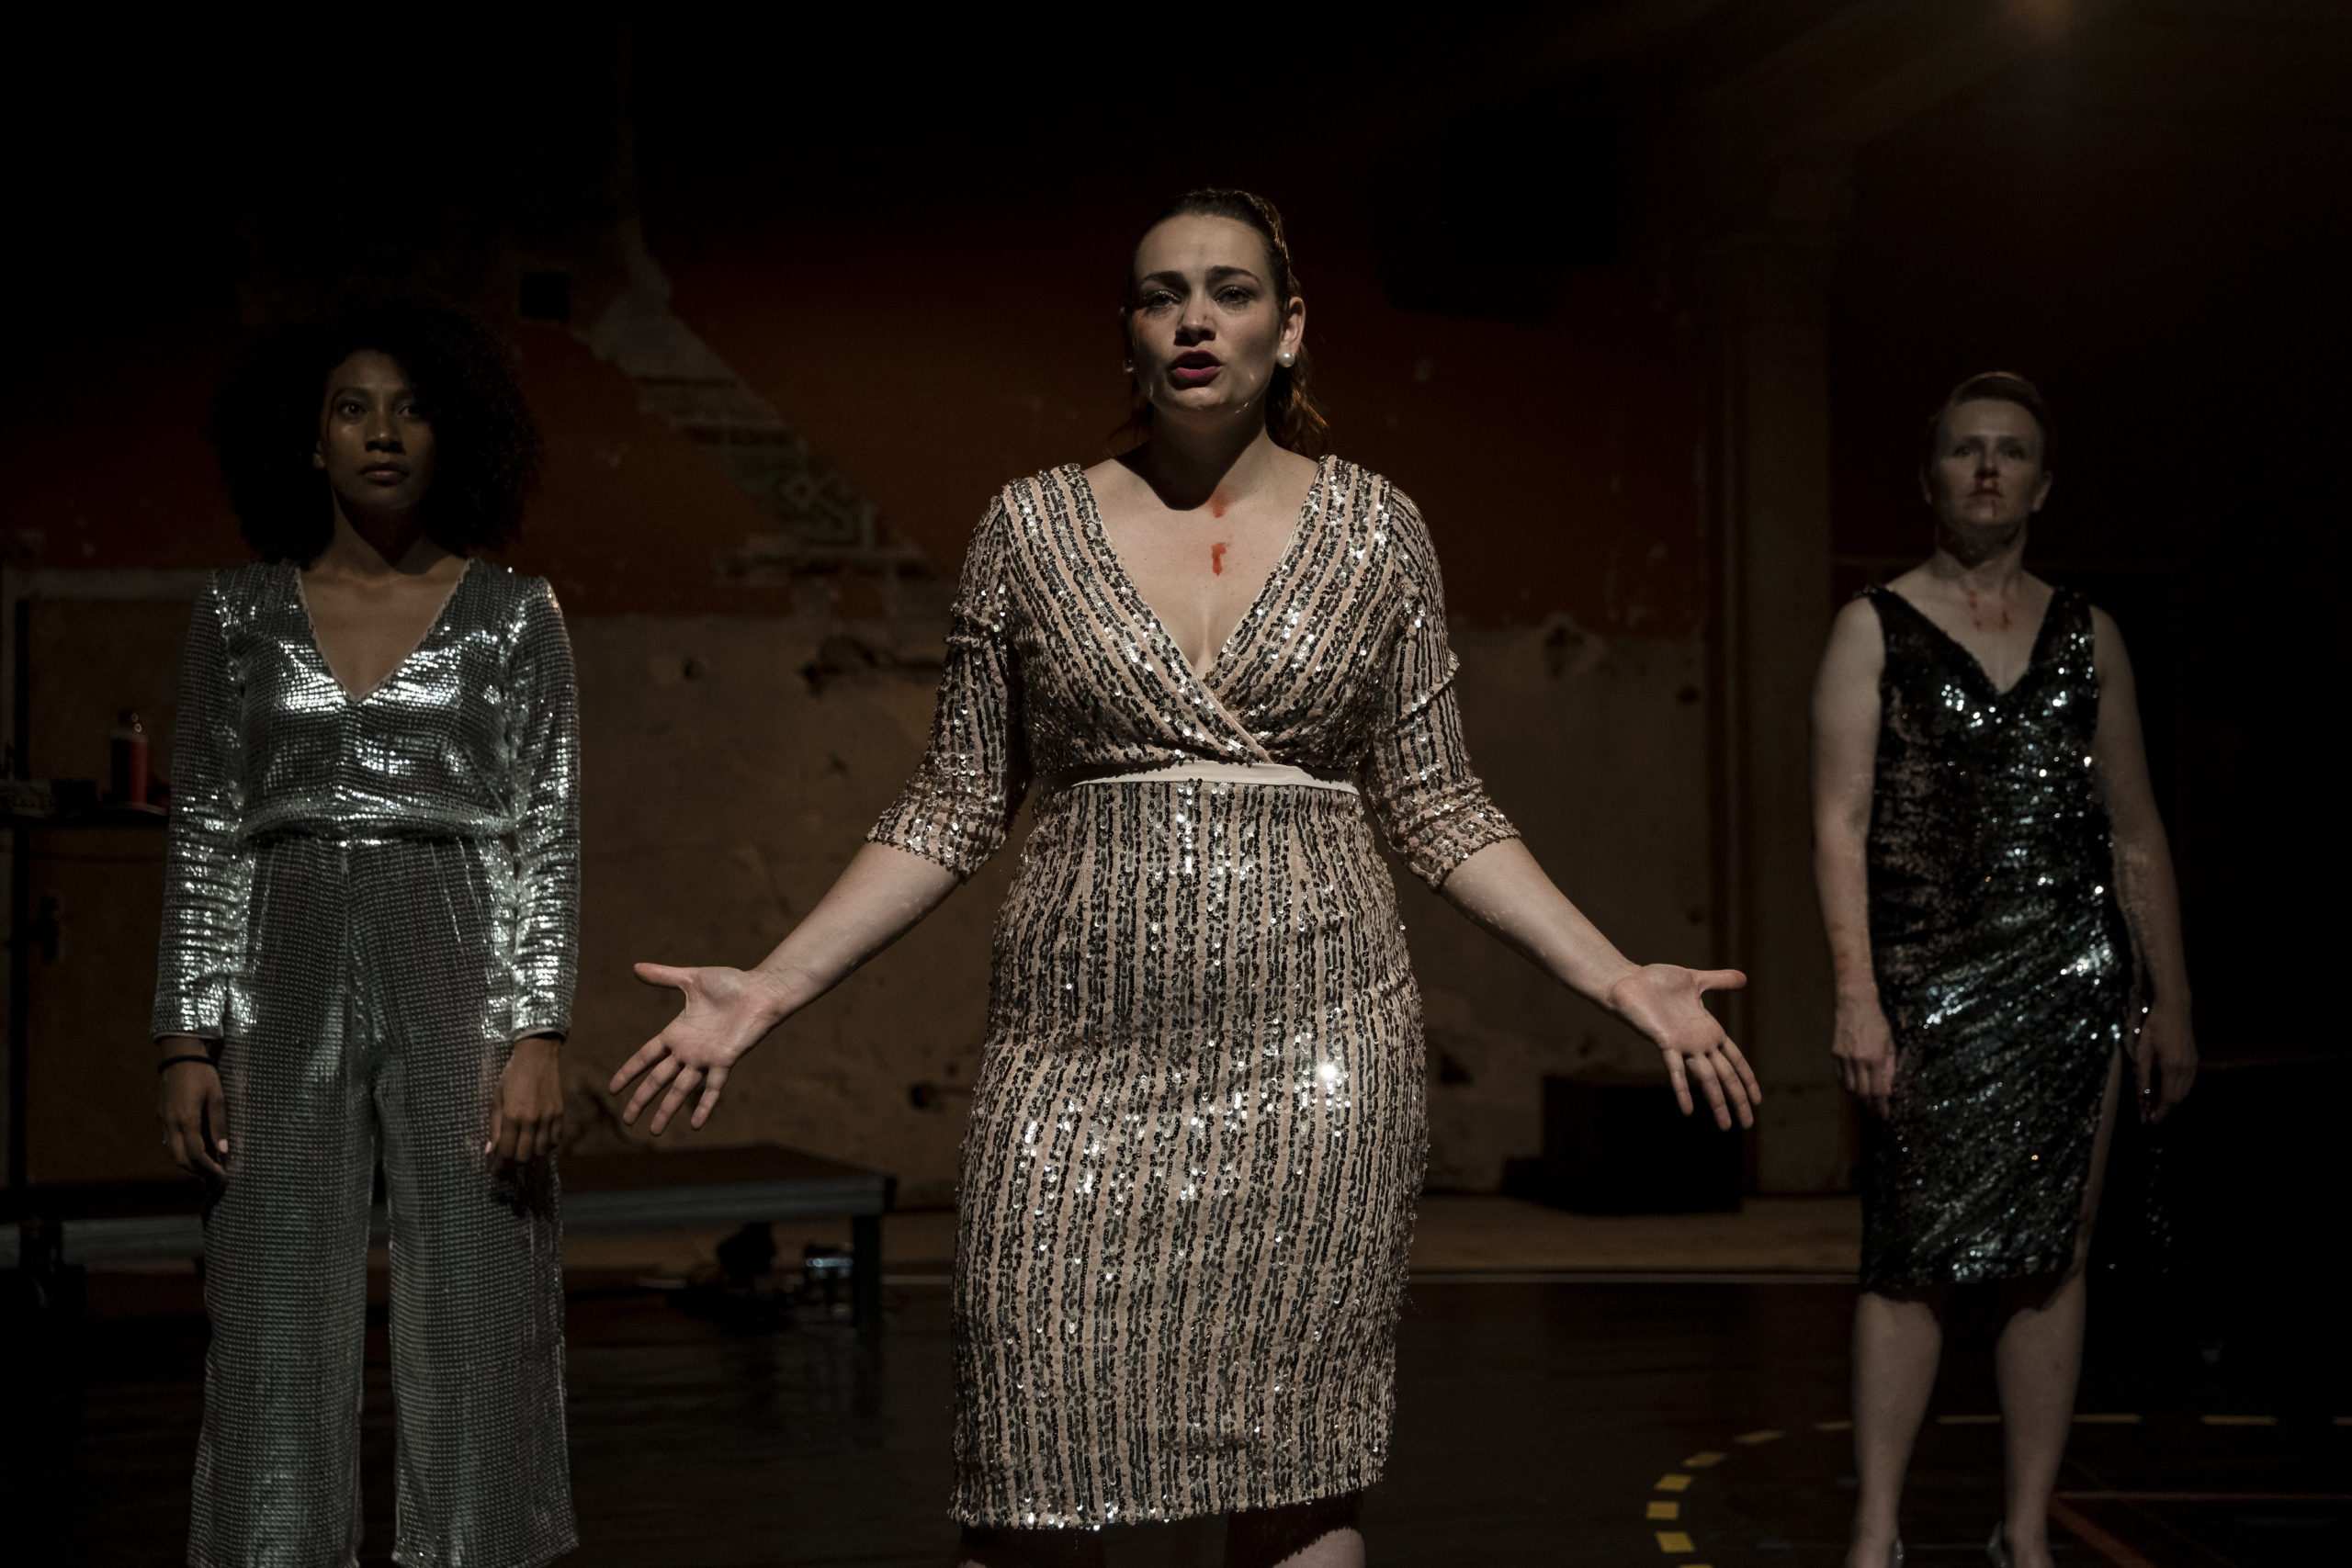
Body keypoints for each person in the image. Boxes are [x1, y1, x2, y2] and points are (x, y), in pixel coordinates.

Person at [611, 188, 1759, 1567]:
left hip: (1318, 1062)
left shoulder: (1379, 529)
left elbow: (1441, 805)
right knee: (1031, 1472)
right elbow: (956, 801)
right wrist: (770, 988)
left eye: (1230, 290)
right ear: (1130, 335)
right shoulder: (1030, 528)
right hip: (1074, 1065)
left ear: (1290, 327)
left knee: (1296, 1472)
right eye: (1162, 295)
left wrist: (1618, 977)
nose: (1195, 319)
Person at [154, 292, 581, 1568]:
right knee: (271, 1296)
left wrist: (540, 1030)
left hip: (460, 963)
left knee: (479, 1294)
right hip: (277, 972)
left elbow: (548, 830)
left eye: (411, 410)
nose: (383, 433)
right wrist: (184, 1038)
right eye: (354, 409)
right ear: (311, 437)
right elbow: (204, 828)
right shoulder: (237, 613)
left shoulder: (515, 613)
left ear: (454, 437)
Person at [1810, 373, 2195, 1568]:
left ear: (2043, 482)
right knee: (1909, 1255)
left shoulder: (2090, 634)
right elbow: (1839, 821)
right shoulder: (1874, 625)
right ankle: (1876, 1532)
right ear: (1928, 477)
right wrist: (1858, 996)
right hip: (1926, 981)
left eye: (2012, 451)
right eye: (1966, 448)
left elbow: (2134, 828)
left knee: (2052, 1260)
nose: (1988, 468)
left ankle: (2024, 1532)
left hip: (2070, 977)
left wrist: (2170, 999)